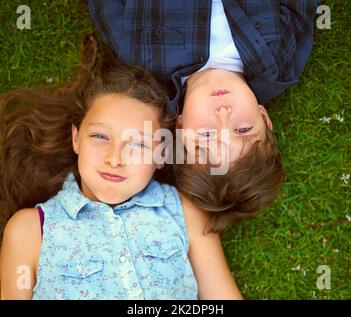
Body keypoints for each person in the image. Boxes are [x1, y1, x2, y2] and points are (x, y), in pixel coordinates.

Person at [0, 36, 242, 299]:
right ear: (75, 138)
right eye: (100, 137)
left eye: (138, 144)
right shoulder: (28, 231)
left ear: (162, 153)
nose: (115, 158)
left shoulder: (184, 213)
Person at [87, 0, 319, 230]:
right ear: (265, 118)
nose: (224, 114)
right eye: (243, 130)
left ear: (179, 127)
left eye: (206, 134)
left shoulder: (138, 56)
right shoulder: (278, 64)